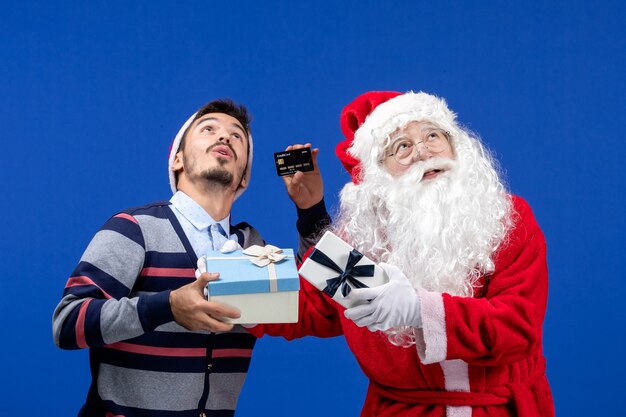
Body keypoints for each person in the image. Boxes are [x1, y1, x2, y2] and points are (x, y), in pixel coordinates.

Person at [249, 91, 555, 417]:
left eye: (432, 135)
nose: (422, 152)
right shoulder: (368, 237)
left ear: (456, 145)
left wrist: (419, 310)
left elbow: (517, 327)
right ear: (378, 175)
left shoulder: (506, 217)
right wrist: (228, 280)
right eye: (401, 147)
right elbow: (311, 306)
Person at [52, 99, 321, 417]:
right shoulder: (135, 227)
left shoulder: (251, 245)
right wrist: (167, 306)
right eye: (209, 129)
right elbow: (67, 323)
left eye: (237, 136)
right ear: (177, 159)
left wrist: (311, 209)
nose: (224, 137)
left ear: (244, 177)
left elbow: (317, 300)